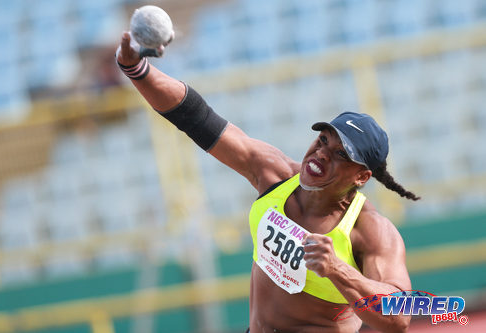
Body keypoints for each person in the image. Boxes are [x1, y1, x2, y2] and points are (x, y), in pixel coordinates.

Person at [116, 31, 419, 333]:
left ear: (362, 176)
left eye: (340, 154)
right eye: (323, 139)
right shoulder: (275, 174)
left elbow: (399, 319)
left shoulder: (370, 231)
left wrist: (338, 269)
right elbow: (197, 117)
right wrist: (136, 70)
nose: (322, 154)